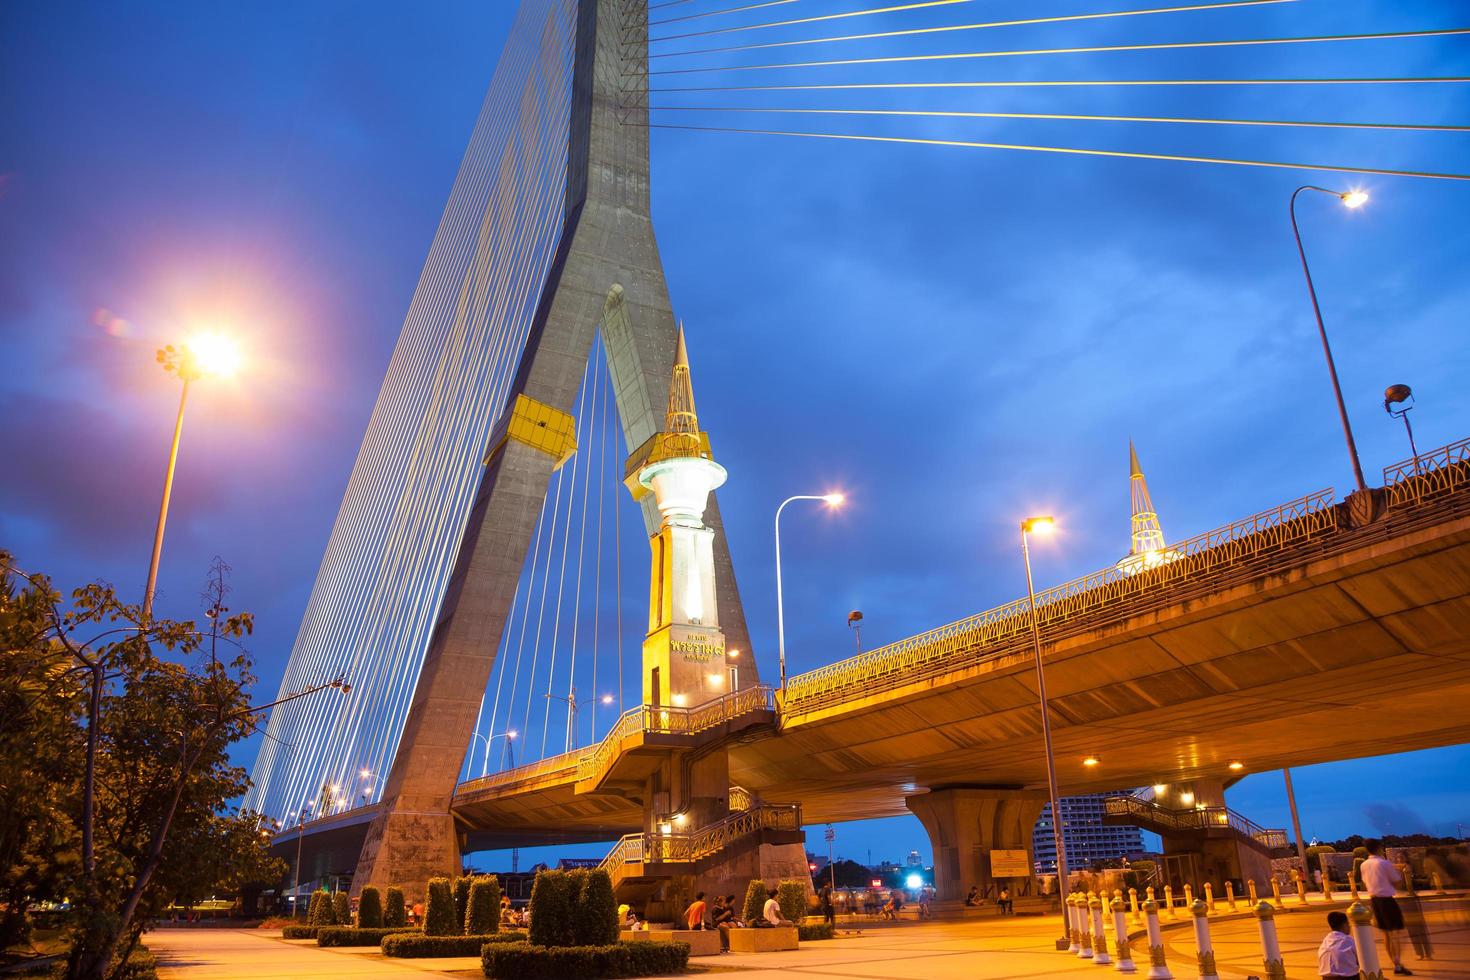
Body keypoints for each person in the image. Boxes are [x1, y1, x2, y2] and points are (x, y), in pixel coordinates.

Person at [1361, 839, 1413, 975]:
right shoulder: (1384, 863)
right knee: (1395, 933)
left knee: (1385, 933)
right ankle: (1397, 964)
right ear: (1379, 848)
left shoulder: (1364, 865)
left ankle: (1395, 963)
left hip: (1374, 901)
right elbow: (1397, 883)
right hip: (1387, 901)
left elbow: (1365, 881)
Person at [1317, 910, 1359, 980]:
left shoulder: (1325, 942)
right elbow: (1362, 961)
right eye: (1348, 924)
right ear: (1344, 925)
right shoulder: (1348, 940)